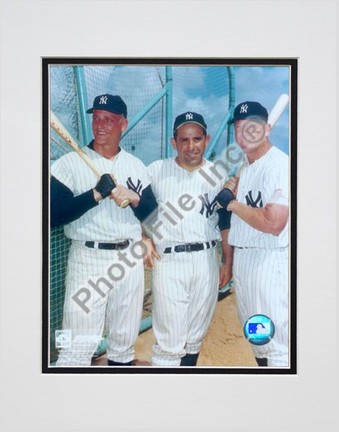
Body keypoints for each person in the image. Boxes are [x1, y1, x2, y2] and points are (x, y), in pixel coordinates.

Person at [50, 94, 157, 366]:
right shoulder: (69, 163)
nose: (100, 125)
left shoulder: (136, 166)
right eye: (96, 118)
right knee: (76, 348)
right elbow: (51, 215)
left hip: (129, 258)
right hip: (88, 259)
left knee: (123, 346)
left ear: (123, 124)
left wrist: (134, 199)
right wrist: (95, 194)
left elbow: (154, 218)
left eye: (108, 120)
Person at [143, 111, 233, 367]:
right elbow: (138, 207)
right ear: (174, 142)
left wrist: (227, 262)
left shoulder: (218, 174)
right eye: (184, 140)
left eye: (197, 139)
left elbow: (225, 221)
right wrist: (143, 237)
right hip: (169, 260)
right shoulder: (156, 170)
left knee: (195, 338)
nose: (191, 146)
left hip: (206, 260)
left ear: (207, 139)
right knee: (169, 343)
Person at [216, 101, 289, 367]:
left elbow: (273, 222)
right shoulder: (245, 168)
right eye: (239, 127)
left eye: (253, 126)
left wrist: (232, 204)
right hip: (245, 263)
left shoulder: (280, 165)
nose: (245, 133)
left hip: (269, 262)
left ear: (267, 129)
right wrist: (229, 262)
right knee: (258, 341)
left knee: (278, 347)